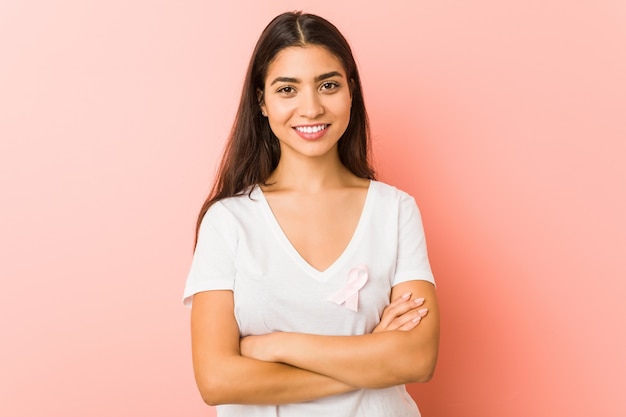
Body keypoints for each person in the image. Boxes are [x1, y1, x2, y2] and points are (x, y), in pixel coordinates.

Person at [183, 11, 440, 417]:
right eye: (288, 89)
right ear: (261, 101)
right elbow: (217, 380)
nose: (312, 107)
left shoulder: (395, 211)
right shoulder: (228, 222)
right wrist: (373, 361)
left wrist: (275, 346)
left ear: (351, 92)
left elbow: (417, 359)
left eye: (328, 85)